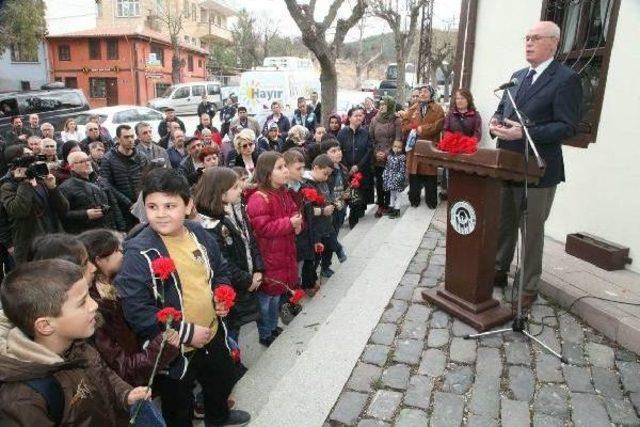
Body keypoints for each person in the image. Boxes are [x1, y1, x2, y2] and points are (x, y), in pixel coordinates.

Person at [115, 168, 251, 426]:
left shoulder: (197, 233)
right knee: (179, 404)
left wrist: (222, 294)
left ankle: (218, 416)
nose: (161, 213)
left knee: (221, 379)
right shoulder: (139, 251)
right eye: (152, 206)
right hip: (175, 348)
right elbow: (136, 310)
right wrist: (186, 332)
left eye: (170, 205)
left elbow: (219, 269)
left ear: (188, 205)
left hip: (213, 332)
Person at [490, 21, 582, 307]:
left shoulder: (566, 79)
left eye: (535, 38)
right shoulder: (517, 77)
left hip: (539, 170)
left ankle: (527, 287)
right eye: (526, 38)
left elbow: (567, 126)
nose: (528, 42)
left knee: (531, 232)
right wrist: (495, 124)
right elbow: (501, 109)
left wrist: (525, 132)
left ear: (553, 43)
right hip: (507, 163)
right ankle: (497, 271)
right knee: (504, 224)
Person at [0, 259, 151, 425]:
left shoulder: (79, 345)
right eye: (82, 302)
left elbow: (104, 376)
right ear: (45, 325)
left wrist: (125, 395)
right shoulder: (23, 400)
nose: (94, 305)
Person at [78, 229, 180, 386]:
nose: (123, 254)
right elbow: (121, 365)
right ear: (100, 260)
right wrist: (161, 347)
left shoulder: (114, 286)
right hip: (128, 385)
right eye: (118, 251)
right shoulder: (95, 308)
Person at [193, 167, 264, 343]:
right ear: (220, 192)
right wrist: (247, 280)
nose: (240, 189)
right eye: (235, 187)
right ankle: (234, 358)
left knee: (235, 325)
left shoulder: (227, 212)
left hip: (240, 279)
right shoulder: (208, 225)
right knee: (230, 329)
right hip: (228, 286)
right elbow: (222, 262)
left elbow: (247, 240)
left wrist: (257, 269)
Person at [246, 152, 300, 347]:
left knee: (276, 296)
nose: (286, 170)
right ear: (267, 173)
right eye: (280, 167)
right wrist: (289, 223)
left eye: (285, 166)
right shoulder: (259, 198)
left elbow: (293, 209)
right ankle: (265, 332)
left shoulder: (283, 192)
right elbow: (263, 228)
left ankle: (272, 326)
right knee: (265, 300)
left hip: (282, 253)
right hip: (269, 256)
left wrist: (296, 220)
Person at [0, 145, 69, 264]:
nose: (33, 159)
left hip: (54, 239)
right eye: (28, 156)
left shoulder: (41, 179)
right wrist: (24, 182)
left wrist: (53, 188)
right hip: (31, 247)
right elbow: (19, 211)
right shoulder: (7, 186)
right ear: (16, 162)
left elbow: (64, 209)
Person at [400, 85, 445, 209]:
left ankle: (431, 201)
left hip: (429, 147)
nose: (422, 94)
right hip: (414, 148)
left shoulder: (438, 109)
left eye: (425, 92)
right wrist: (413, 128)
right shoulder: (413, 108)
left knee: (430, 175)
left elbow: (439, 125)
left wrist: (422, 129)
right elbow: (404, 124)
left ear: (431, 94)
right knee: (414, 175)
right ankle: (414, 200)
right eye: (420, 92)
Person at [99, 124, 149, 230]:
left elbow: (147, 179)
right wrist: (128, 203)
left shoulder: (141, 156)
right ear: (118, 139)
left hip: (142, 203)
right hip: (122, 207)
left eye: (132, 136)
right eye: (126, 137)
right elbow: (107, 184)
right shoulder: (108, 159)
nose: (130, 140)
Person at [59, 151, 121, 233]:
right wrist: (85, 214)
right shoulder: (66, 187)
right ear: (72, 167)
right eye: (82, 162)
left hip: (107, 231)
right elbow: (62, 214)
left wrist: (119, 228)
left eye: (88, 160)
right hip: (85, 234)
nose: (87, 163)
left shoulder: (100, 181)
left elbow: (113, 205)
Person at [302, 154, 339, 280]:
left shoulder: (321, 181)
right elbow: (306, 210)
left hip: (325, 225)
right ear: (316, 168)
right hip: (314, 228)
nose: (326, 177)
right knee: (314, 257)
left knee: (326, 248)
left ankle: (322, 269)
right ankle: (309, 281)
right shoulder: (307, 184)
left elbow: (326, 197)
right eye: (325, 173)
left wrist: (333, 204)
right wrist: (323, 211)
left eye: (328, 174)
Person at [337, 106, 373, 228]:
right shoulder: (342, 133)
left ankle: (354, 221)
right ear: (350, 117)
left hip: (360, 171)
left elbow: (368, 151)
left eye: (361, 115)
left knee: (356, 197)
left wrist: (358, 166)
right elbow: (339, 151)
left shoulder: (365, 133)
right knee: (344, 196)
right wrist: (346, 166)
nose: (359, 117)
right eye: (356, 115)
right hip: (345, 170)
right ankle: (340, 219)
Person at [369, 96, 403, 217]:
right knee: (379, 181)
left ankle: (390, 204)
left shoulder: (396, 120)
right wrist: (376, 153)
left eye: (385, 104)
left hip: (391, 156)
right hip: (377, 156)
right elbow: (371, 139)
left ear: (390, 105)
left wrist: (387, 153)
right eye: (381, 104)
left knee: (390, 181)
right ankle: (381, 205)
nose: (382, 106)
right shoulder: (374, 120)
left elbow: (398, 139)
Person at [320, 138, 348, 263]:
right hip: (329, 210)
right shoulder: (325, 172)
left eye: (339, 149)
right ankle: (334, 254)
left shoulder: (342, 168)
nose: (338, 153)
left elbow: (344, 187)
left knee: (335, 234)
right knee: (329, 237)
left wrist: (347, 194)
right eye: (333, 151)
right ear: (325, 155)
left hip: (340, 208)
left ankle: (327, 265)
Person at [383, 140, 407, 219]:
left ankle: (397, 209)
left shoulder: (402, 157)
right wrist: (385, 173)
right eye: (395, 146)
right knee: (391, 193)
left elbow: (402, 169)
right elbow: (387, 166)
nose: (397, 149)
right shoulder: (389, 156)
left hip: (397, 178)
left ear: (402, 148)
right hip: (390, 178)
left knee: (398, 194)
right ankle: (391, 206)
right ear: (392, 147)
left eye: (399, 147)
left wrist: (399, 176)